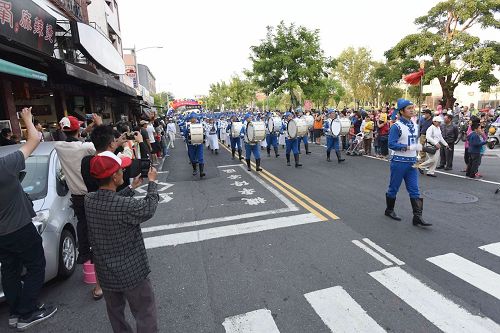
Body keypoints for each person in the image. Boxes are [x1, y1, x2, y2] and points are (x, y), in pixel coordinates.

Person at [85, 152, 159, 333]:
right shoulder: (126, 207)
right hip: (132, 272)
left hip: (105, 272)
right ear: (114, 176)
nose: (123, 172)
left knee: (115, 313)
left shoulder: (89, 201)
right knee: (144, 312)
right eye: (120, 170)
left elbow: (112, 202)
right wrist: (152, 183)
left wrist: (131, 188)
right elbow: (148, 208)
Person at [0, 107, 58, 330]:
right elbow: (35, 139)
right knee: (36, 265)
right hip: (20, 228)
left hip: (2, 235)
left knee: (10, 269)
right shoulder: (5, 166)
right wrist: (26, 119)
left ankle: (15, 312)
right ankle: (28, 311)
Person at [54, 114, 104, 298]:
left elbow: (75, 136)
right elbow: (99, 146)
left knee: (84, 229)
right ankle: (101, 271)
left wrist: (88, 127)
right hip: (91, 193)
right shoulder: (87, 147)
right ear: (77, 129)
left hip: (76, 196)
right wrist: (98, 126)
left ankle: (85, 255)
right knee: (99, 232)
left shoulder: (58, 146)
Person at [385, 98, 431, 227]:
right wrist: (409, 147)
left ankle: (417, 217)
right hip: (399, 162)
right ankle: (389, 210)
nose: (412, 110)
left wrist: (419, 147)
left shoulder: (415, 126)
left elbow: (414, 142)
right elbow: (391, 144)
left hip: (412, 162)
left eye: (413, 108)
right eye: (409, 108)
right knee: (394, 188)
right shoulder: (396, 126)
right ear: (401, 111)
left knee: (415, 190)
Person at [183, 113, 206, 178]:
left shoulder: (200, 125)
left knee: (200, 158)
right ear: (190, 119)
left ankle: (201, 172)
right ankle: (194, 169)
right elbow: (185, 134)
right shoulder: (187, 126)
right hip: (191, 144)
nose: (194, 119)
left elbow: (203, 133)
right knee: (192, 158)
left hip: (199, 144)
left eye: (195, 118)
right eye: (192, 118)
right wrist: (187, 131)